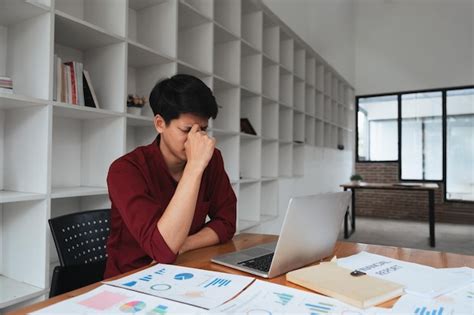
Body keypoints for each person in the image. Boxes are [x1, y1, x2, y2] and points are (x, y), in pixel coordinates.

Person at [104, 74, 237, 278]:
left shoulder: (211, 159)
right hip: (133, 279)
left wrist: (185, 244)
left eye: (203, 129)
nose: (196, 139)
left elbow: (227, 222)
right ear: (160, 124)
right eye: (186, 130)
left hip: (188, 268)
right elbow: (162, 250)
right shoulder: (125, 170)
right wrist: (194, 167)